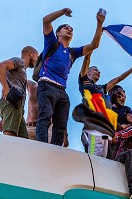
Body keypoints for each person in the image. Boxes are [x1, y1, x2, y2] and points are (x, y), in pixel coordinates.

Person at [36, 8, 105, 146]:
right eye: (65, 27)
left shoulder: (72, 53)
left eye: (71, 29)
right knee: (45, 117)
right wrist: (62, 12)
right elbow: (45, 20)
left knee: (60, 125)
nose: (69, 29)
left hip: (62, 91)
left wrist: (99, 24)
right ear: (57, 33)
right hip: (47, 85)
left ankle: (54, 150)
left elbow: (94, 45)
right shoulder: (52, 43)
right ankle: (41, 147)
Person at [78, 50, 132, 155]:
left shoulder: (100, 88)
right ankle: (93, 170)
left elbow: (118, 79)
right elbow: (86, 60)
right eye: (96, 70)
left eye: (99, 71)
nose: (99, 72)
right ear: (88, 73)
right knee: (95, 153)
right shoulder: (84, 82)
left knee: (103, 156)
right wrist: (90, 51)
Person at [0, 46, 38, 138]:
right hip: (11, 104)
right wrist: (5, 87)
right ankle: (4, 153)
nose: (37, 60)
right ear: (31, 54)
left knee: (24, 141)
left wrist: (4, 117)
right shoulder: (20, 62)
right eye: (37, 56)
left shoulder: (22, 70)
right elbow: (1, 66)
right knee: (10, 135)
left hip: (16, 107)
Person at [26, 80, 69, 146]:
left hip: (47, 129)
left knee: (47, 152)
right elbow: (16, 81)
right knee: (24, 152)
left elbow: (60, 116)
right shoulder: (31, 85)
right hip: (30, 127)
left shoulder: (56, 91)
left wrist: (65, 136)